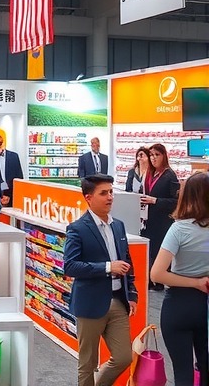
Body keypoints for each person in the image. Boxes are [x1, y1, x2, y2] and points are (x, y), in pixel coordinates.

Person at [64, 174, 138, 386]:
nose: (110, 197)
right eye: (103, 193)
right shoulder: (77, 228)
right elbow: (70, 266)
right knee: (87, 362)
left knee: (124, 356)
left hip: (118, 301)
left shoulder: (118, 226)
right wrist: (107, 267)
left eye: (111, 192)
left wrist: (132, 293)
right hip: (90, 303)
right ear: (88, 198)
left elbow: (127, 260)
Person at [150, 171, 209, 386]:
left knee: (182, 372)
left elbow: (157, 274)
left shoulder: (179, 229)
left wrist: (195, 282)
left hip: (178, 305)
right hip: (205, 306)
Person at [139, 143, 179, 291]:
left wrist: (156, 201)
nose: (153, 158)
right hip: (147, 219)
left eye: (157, 155)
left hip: (162, 221)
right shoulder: (149, 174)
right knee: (148, 250)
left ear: (164, 156)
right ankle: (149, 279)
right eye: (151, 155)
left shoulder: (169, 175)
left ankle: (159, 281)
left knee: (158, 250)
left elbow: (175, 202)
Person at [0, 134, 23, 206]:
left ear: (1, 144)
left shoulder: (14, 156)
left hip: (11, 195)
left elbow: (19, 177)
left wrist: (9, 195)